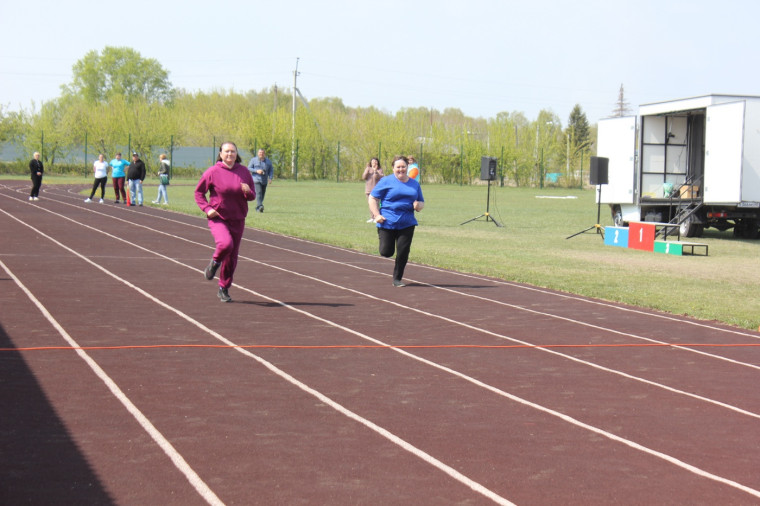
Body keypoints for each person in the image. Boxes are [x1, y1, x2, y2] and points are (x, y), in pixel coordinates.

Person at [195, 142, 256, 303]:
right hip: (218, 217)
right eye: (227, 151)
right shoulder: (213, 172)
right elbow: (199, 193)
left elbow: (252, 196)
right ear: (221, 154)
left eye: (233, 151)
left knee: (232, 256)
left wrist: (248, 191)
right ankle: (214, 263)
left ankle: (224, 287)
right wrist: (207, 209)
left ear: (237, 154)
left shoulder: (244, 172)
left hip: (238, 218)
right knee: (225, 244)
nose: (230, 154)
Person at [368, 155, 425, 287]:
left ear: (407, 167)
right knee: (386, 252)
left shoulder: (414, 184)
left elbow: (421, 202)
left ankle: (397, 278)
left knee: (403, 252)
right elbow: (372, 198)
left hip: (407, 222)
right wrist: (376, 215)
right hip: (387, 221)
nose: (401, 169)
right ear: (393, 168)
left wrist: (418, 206)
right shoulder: (386, 181)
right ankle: (383, 239)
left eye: (403, 167)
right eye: (398, 167)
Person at [247, 148, 273, 213]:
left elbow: (271, 170)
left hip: (264, 180)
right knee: (258, 193)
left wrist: (270, 178)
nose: (261, 154)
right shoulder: (253, 160)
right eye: (260, 153)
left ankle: (258, 207)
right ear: (258, 153)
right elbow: (249, 168)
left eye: (262, 153)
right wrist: (256, 171)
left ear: (264, 154)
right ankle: (260, 205)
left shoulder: (268, 162)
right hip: (256, 179)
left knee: (262, 194)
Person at [362, 157, 384, 222]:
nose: (374, 163)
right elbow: (363, 177)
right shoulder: (368, 169)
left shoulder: (380, 170)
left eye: (375, 161)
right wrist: (367, 170)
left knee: (376, 204)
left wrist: (375, 171)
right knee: (370, 204)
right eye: (373, 161)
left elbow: (377, 177)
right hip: (368, 189)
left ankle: (376, 217)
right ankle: (372, 217)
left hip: (376, 190)